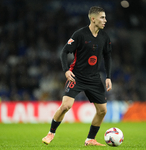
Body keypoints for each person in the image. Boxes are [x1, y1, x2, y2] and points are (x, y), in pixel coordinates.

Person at [42, 6, 112, 146]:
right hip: (77, 76)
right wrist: (66, 70)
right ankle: (51, 133)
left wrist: (108, 77)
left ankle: (90, 139)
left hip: (94, 78)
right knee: (66, 106)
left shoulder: (104, 36)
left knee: (102, 110)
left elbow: (107, 56)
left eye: (105, 17)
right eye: (102, 17)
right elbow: (64, 52)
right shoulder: (80, 35)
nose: (105, 20)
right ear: (93, 19)